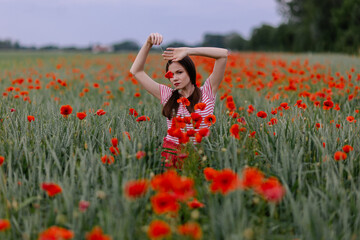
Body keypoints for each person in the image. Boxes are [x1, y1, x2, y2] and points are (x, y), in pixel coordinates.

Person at [130, 33, 228, 168]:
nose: (174, 78)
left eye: (179, 72)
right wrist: (148, 44)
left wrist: (189, 51)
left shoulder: (207, 92)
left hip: (200, 153)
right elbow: (136, 71)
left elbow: (223, 54)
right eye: (171, 74)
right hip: (172, 153)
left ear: (190, 72)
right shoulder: (167, 95)